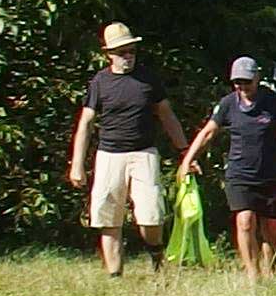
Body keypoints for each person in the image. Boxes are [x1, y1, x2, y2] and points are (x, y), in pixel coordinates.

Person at [65, 22, 193, 278]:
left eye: (131, 51)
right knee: (108, 218)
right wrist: (77, 164)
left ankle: (156, 253)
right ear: (109, 54)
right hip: (109, 155)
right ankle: (115, 275)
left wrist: (185, 151)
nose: (128, 57)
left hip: (143, 153)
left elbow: (167, 116)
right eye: (122, 52)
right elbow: (86, 123)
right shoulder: (100, 82)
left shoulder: (148, 80)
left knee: (151, 214)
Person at [177, 55, 276, 283]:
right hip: (240, 173)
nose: (242, 87)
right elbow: (207, 133)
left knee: (271, 228)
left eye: (246, 82)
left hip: (271, 173)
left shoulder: (273, 102)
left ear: (257, 79)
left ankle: (271, 271)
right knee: (245, 221)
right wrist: (187, 160)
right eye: (237, 82)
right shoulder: (228, 104)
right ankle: (252, 273)